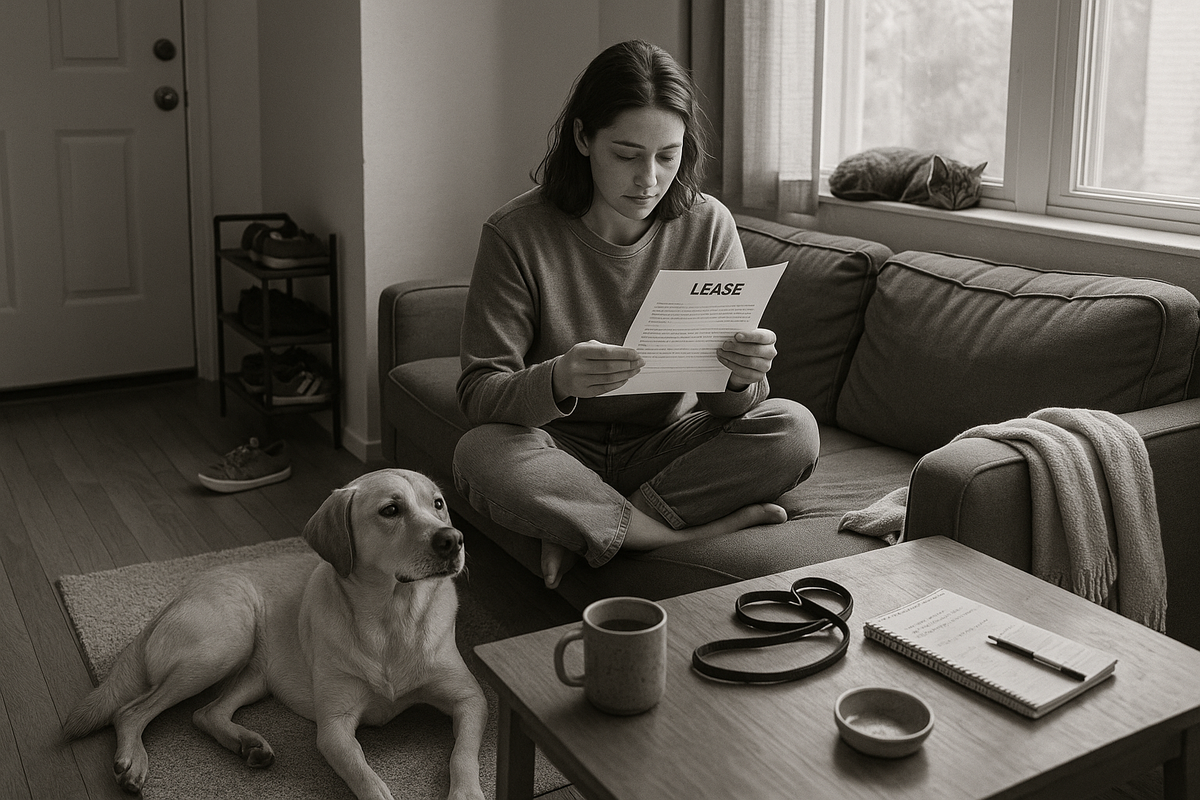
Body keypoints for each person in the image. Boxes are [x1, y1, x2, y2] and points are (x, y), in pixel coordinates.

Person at [453, 40, 819, 589]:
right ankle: (664, 536)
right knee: (477, 453)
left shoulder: (708, 225)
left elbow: (731, 408)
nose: (648, 178)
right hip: (556, 446)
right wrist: (557, 379)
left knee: (794, 429)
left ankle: (592, 525)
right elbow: (478, 392)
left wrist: (742, 377)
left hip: (664, 447)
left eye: (667, 156)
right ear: (582, 139)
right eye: (626, 155)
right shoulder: (516, 234)